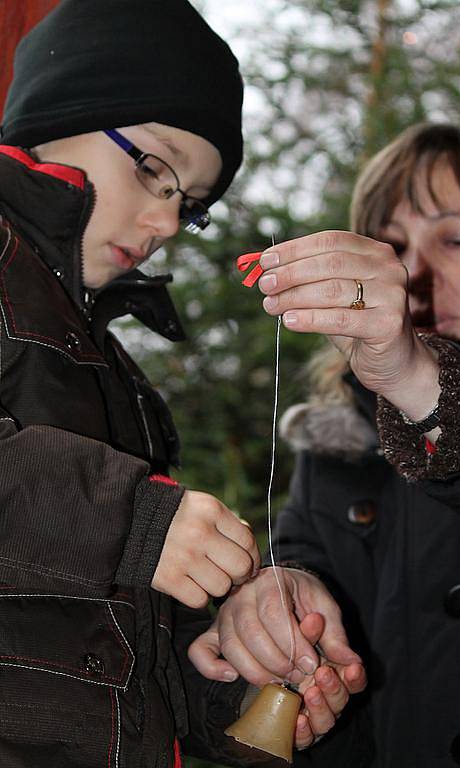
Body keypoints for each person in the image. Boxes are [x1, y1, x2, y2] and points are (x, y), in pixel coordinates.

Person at [0, 1, 360, 765]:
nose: (166, 222)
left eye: (189, 204)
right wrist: (134, 521)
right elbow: (111, 528)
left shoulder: (117, 379)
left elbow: (99, 648)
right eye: (154, 167)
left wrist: (233, 687)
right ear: (58, 111)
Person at [190, 121, 460, 767]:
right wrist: (276, 610)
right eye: (391, 246)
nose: (414, 272)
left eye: (457, 238)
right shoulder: (338, 447)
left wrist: (418, 382)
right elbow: (314, 580)